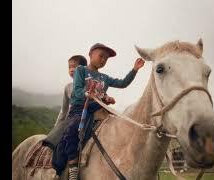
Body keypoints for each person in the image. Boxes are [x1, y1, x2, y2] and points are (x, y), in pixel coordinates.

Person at [62, 43, 145, 180]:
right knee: (72, 129)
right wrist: (88, 93)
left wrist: (134, 70)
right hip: (80, 108)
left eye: (106, 59)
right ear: (90, 54)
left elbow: (122, 83)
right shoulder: (81, 70)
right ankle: (73, 166)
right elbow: (76, 91)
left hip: (99, 108)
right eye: (101, 56)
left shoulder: (104, 78)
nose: (103, 60)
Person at [42, 55, 87, 150]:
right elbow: (64, 109)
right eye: (69, 67)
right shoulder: (68, 87)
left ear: (84, 69)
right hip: (72, 117)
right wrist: (56, 127)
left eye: (74, 67)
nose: (71, 69)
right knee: (59, 142)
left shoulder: (89, 83)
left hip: (86, 116)